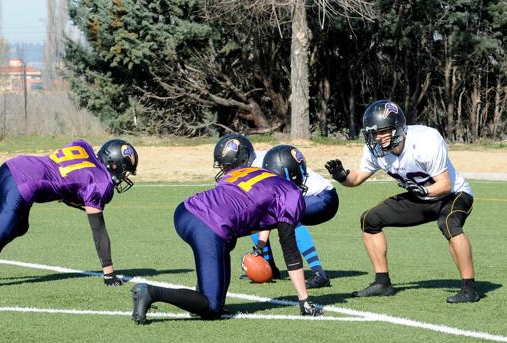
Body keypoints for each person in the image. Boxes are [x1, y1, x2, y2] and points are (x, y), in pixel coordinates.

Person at [130, 145, 324, 324]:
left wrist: (261, 244)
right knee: (212, 309)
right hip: (208, 226)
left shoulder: (248, 172)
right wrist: (304, 299)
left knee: (224, 255)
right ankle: (151, 292)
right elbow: (289, 248)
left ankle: (198, 296)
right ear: (293, 173)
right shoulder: (289, 191)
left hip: (185, 211)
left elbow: (240, 207)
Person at [0, 139, 138, 292]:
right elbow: (98, 229)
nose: (125, 176)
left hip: (10, 167)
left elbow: (68, 180)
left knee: (20, 227)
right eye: (125, 170)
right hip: (21, 185)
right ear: (115, 164)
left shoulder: (83, 146)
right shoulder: (100, 183)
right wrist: (109, 273)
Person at [325, 100, 478, 303]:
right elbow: (356, 179)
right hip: (420, 197)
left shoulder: (426, 140)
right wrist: (341, 176)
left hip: (453, 194)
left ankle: (469, 288)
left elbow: (445, 185)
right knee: (370, 220)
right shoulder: (375, 150)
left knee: (449, 223)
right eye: (373, 133)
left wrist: (423, 189)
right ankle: (382, 283)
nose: (377, 138)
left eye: (382, 131)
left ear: (398, 126)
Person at [213, 134, 338, 288]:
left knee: (289, 218)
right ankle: (269, 267)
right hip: (303, 196)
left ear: (242, 160)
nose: (225, 172)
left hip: (322, 197)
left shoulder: (259, 168)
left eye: (228, 167)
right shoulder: (251, 164)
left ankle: (319, 273)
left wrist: (259, 245)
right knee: (253, 218)